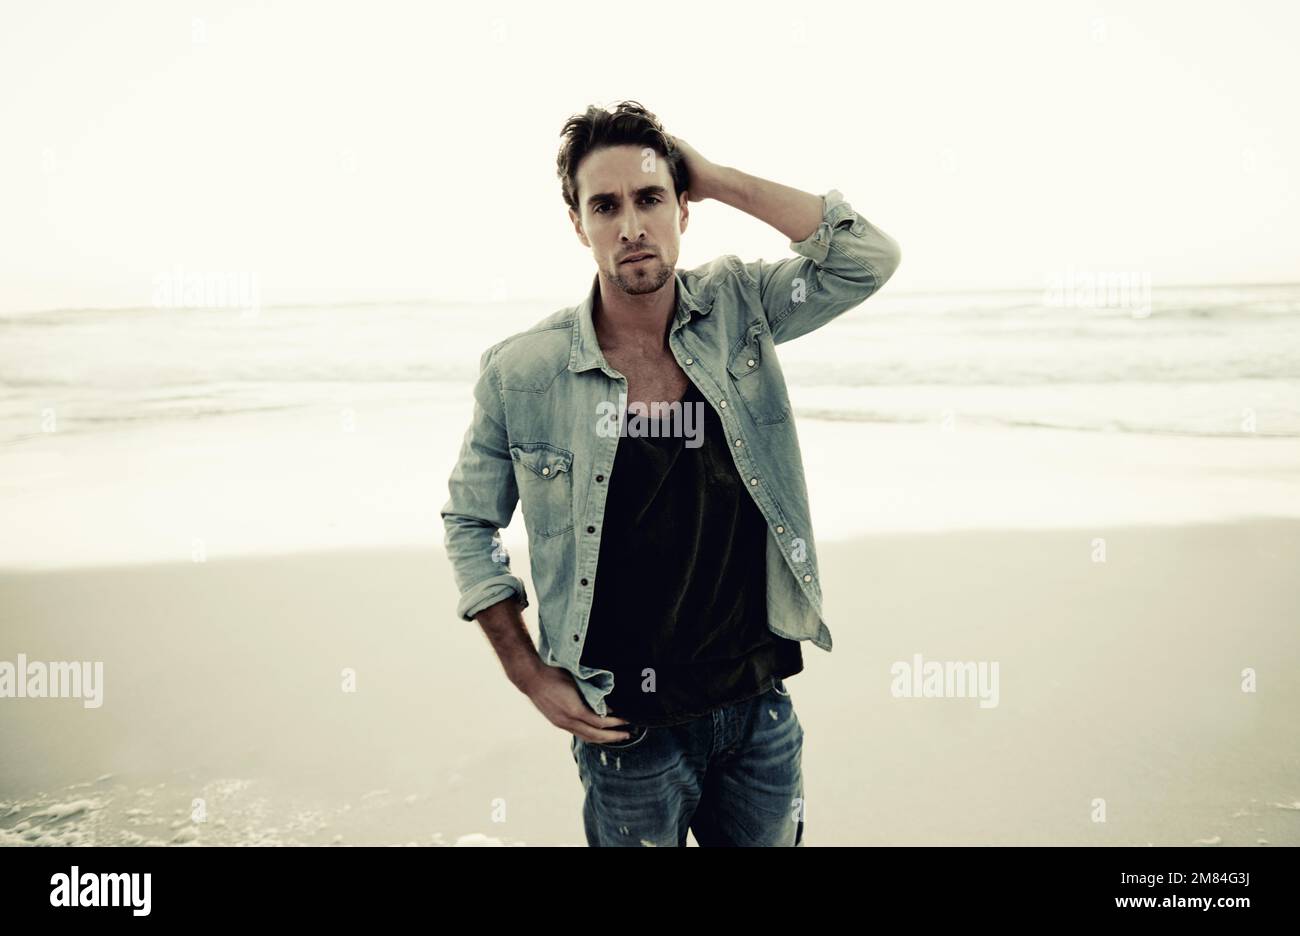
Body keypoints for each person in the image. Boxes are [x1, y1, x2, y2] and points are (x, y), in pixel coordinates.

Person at [440, 100, 901, 846]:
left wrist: (716, 177)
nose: (631, 226)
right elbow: (470, 524)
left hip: (758, 710)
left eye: (651, 198)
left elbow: (865, 258)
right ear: (578, 223)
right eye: (606, 205)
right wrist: (527, 672)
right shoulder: (524, 372)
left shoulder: (736, 308)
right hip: (628, 735)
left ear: (682, 210)